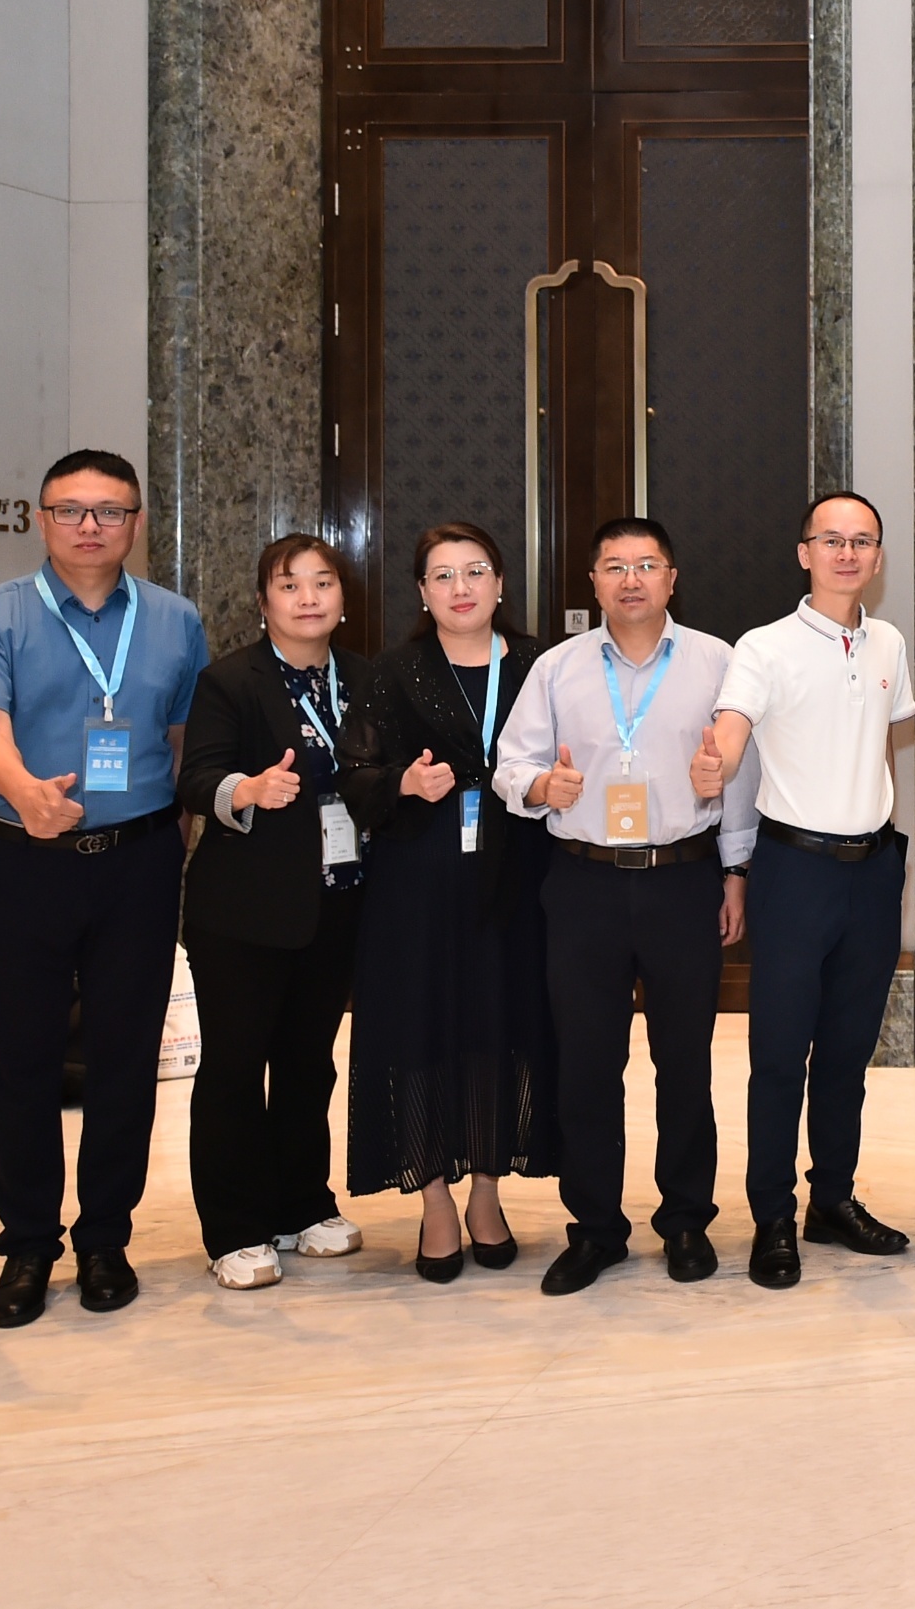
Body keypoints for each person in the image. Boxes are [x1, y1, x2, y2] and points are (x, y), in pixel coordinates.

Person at [0, 449, 211, 1328]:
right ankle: (27, 1242)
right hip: (19, 859)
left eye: (109, 510)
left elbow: (183, 737)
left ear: (137, 522)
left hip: (137, 862)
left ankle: (105, 1237)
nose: (89, 525)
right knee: (15, 1055)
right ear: (41, 519)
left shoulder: (175, 619)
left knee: (126, 1053)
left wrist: (176, 826)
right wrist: (29, 795)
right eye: (71, 509)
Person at [489, 517, 758, 1296]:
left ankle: (686, 1220)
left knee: (686, 1062)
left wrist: (736, 872)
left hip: (683, 879)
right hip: (585, 883)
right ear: (594, 581)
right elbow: (510, 764)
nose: (631, 579)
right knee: (586, 1064)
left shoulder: (718, 662)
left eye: (646, 565)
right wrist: (543, 786)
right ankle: (596, 1228)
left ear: (672, 577)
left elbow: (741, 776)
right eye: (615, 566)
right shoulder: (557, 667)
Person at [708, 493, 915, 1289]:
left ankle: (832, 1198)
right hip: (794, 871)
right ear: (805, 552)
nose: (847, 552)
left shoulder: (888, 641)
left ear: (877, 556)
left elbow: (883, 743)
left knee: (848, 1052)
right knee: (779, 1054)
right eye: (832, 539)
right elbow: (732, 732)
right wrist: (716, 760)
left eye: (862, 541)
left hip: (873, 870)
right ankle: (772, 1214)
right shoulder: (764, 646)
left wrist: (885, 830)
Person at [344, 523, 560, 1283]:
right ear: (422, 592)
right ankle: (433, 1195)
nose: (460, 588)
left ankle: (487, 1192)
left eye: (475, 572)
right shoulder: (393, 670)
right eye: (442, 575)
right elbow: (354, 772)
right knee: (422, 1024)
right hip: (418, 880)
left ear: (500, 583)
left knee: (502, 1021)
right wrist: (402, 781)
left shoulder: (538, 663)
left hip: (518, 876)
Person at [176, 535, 381, 1290]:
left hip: (337, 903)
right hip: (244, 913)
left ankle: (303, 1205)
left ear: (344, 599)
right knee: (235, 1068)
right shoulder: (230, 680)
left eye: (322, 582)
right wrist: (248, 789)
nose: (307, 597)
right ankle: (235, 1228)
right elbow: (197, 777)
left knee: (307, 1064)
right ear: (263, 602)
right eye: (289, 585)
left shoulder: (365, 678)